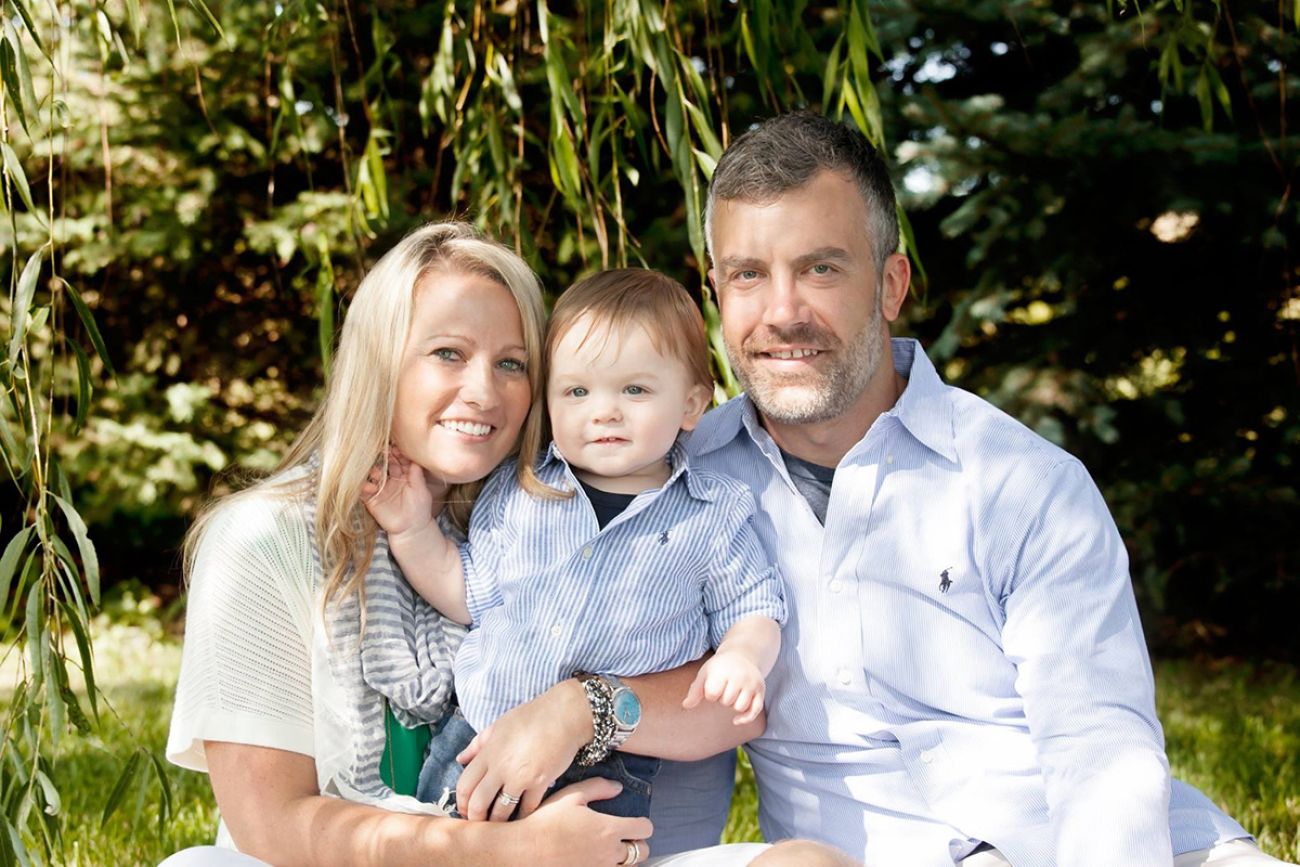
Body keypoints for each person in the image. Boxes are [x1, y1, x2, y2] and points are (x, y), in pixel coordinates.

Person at [646, 111, 1293, 866]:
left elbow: (1099, 756)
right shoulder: (683, 485)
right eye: (749, 274)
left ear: (891, 284)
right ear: (716, 290)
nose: (783, 312)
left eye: (822, 268)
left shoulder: (1023, 483)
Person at [161, 222, 824, 867]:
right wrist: (511, 852)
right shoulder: (262, 539)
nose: (483, 391)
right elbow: (268, 824)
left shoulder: (533, 505)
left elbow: (730, 714)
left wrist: (578, 708)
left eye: (512, 363)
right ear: (380, 361)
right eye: (447, 352)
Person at [361, 268, 786, 822]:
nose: (604, 410)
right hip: (479, 736)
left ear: (691, 404)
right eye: (578, 391)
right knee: (446, 849)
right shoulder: (523, 492)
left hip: (608, 761)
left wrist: (740, 656)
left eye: (635, 389)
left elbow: (754, 605)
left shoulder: (712, 515)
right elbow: (469, 591)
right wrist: (411, 529)